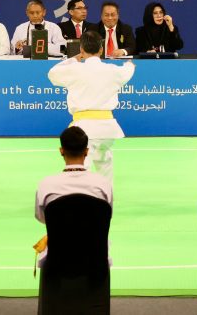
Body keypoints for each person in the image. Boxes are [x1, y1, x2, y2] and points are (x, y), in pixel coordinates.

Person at [47, 31, 135, 179]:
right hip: (107, 127)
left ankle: (80, 191)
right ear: (101, 49)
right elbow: (128, 71)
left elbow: (52, 73)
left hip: (85, 128)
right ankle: (106, 192)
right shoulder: (112, 70)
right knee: (105, 161)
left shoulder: (75, 69)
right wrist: (130, 64)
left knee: (82, 165)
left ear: (81, 49)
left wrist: (74, 59)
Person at [35, 126, 113, 224]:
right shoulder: (103, 184)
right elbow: (107, 215)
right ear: (86, 151)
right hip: (94, 234)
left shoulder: (46, 184)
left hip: (59, 234)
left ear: (61, 151)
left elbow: (42, 218)